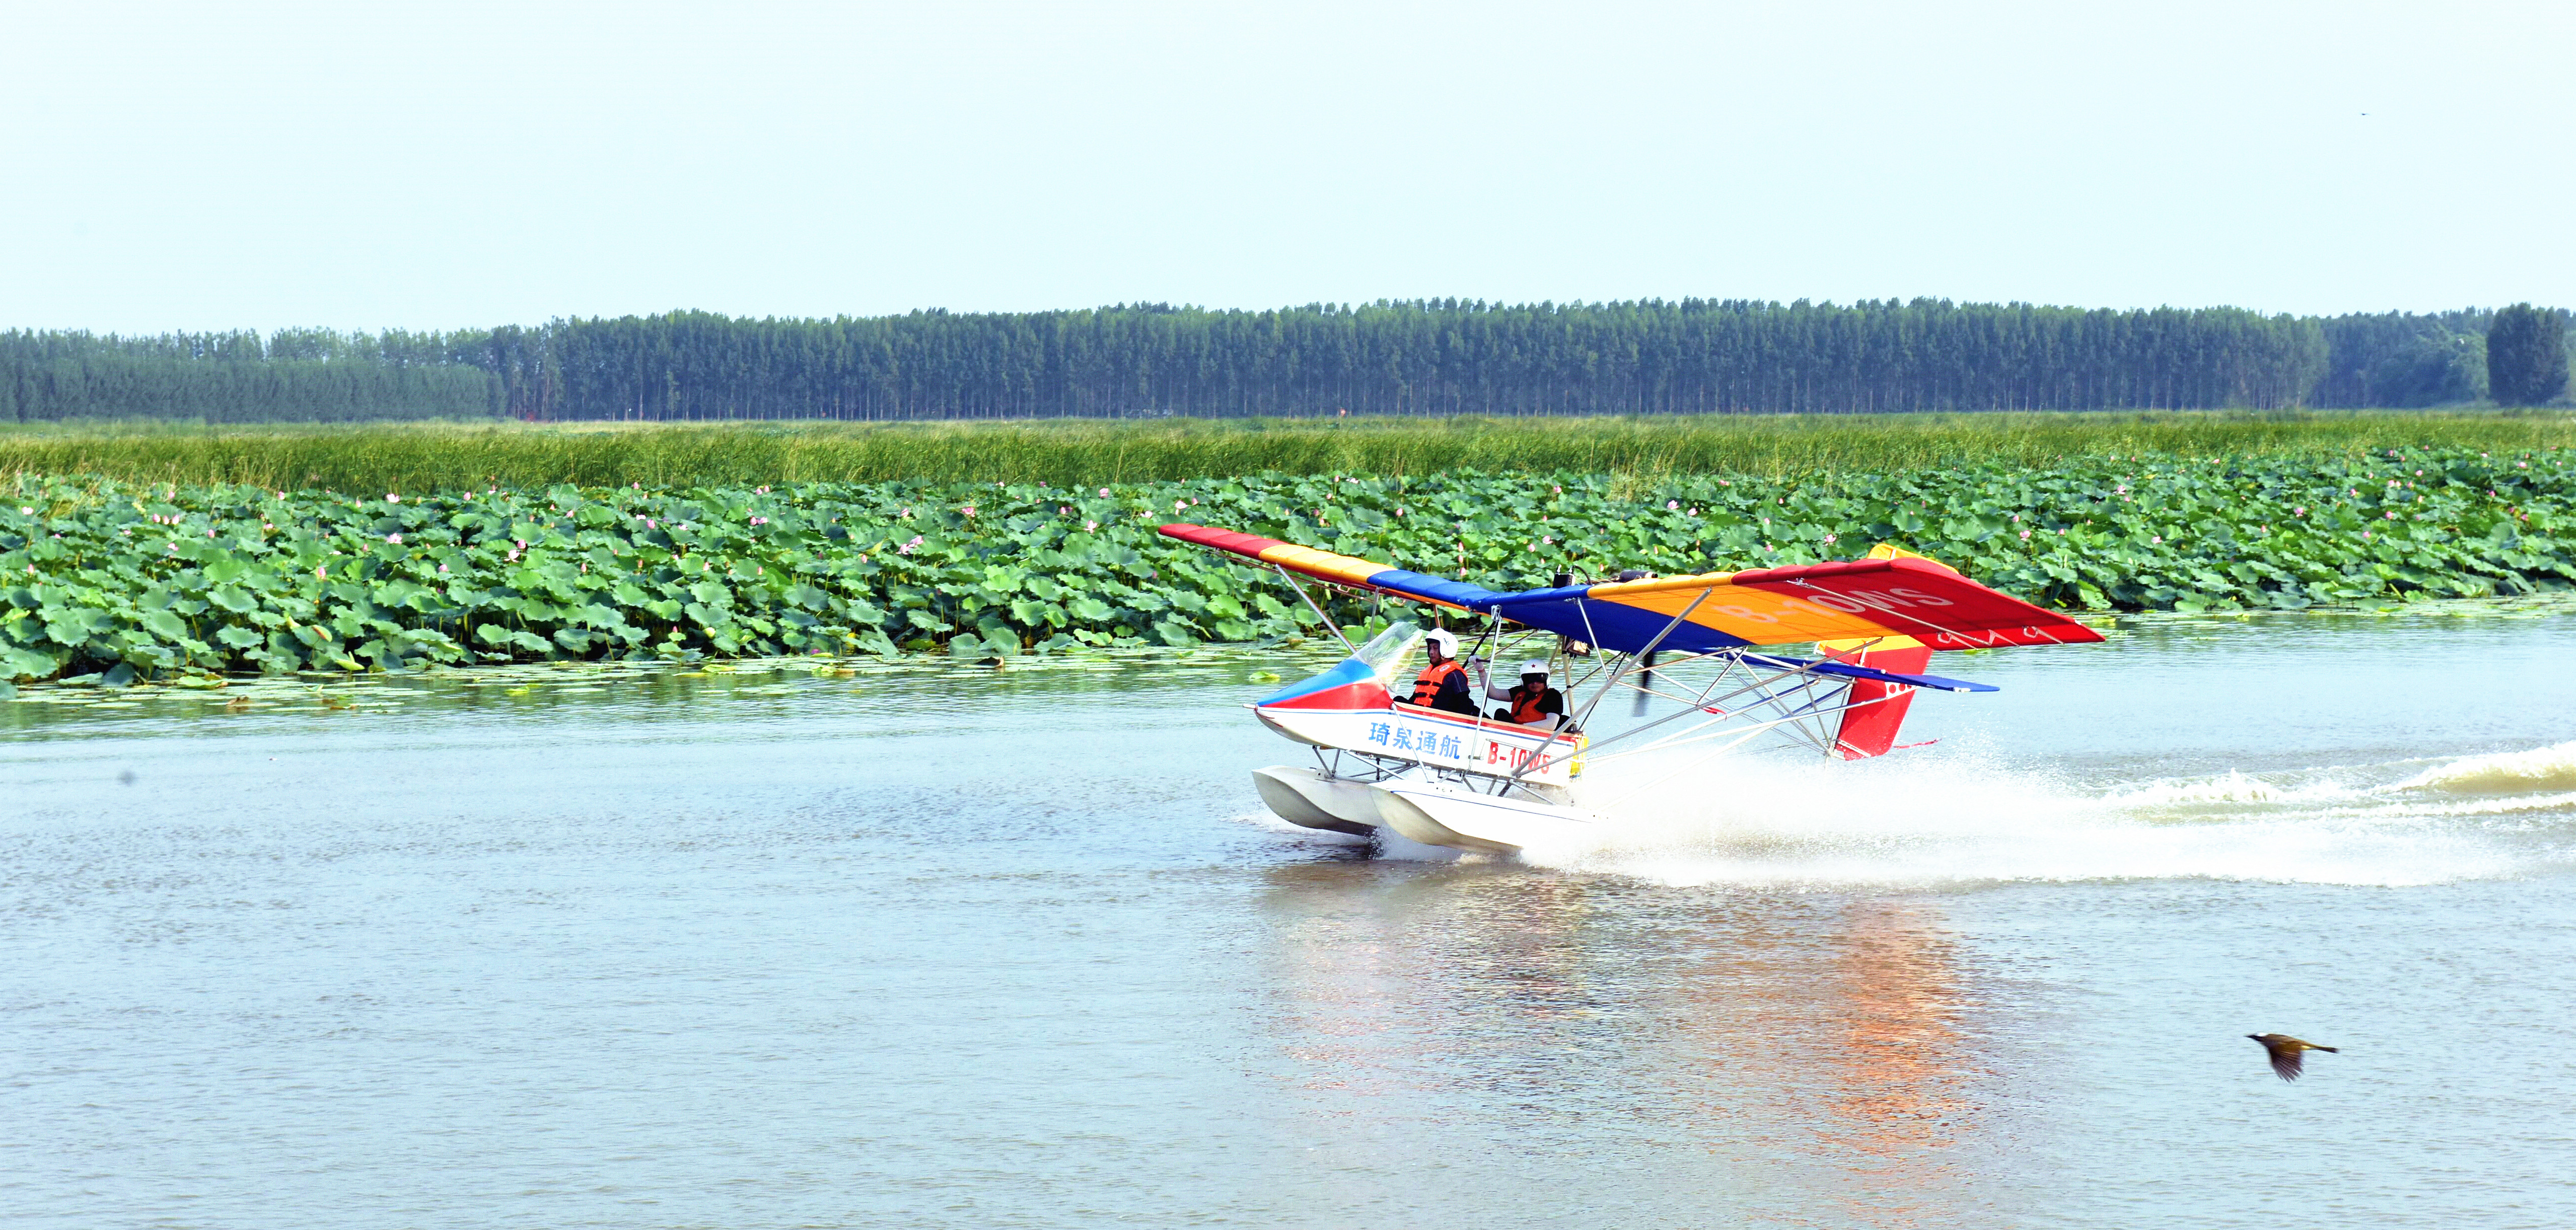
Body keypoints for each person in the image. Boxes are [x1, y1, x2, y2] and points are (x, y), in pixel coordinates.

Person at [1406, 628, 1478, 716]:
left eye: (1435, 648)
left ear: (1446, 650)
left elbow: (1464, 706)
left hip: (1442, 719)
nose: (1431, 652)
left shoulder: (1455, 674)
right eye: (1430, 648)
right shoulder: (1426, 673)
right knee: (1398, 700)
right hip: (1422, 716)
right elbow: (1414, 700)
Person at [1481, 659, 1567, 730]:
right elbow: (1493, 693)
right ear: (1524, 681)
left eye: (1539, 679)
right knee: (1500, 713)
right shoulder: (1520, 691)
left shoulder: (1553, 696)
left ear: (1546, 680)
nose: (1535, 683)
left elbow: (1551, 725)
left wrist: (1522, 727)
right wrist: (1481, 671)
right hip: (1514, 729)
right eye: (1529, 680)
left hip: (1535, 734)